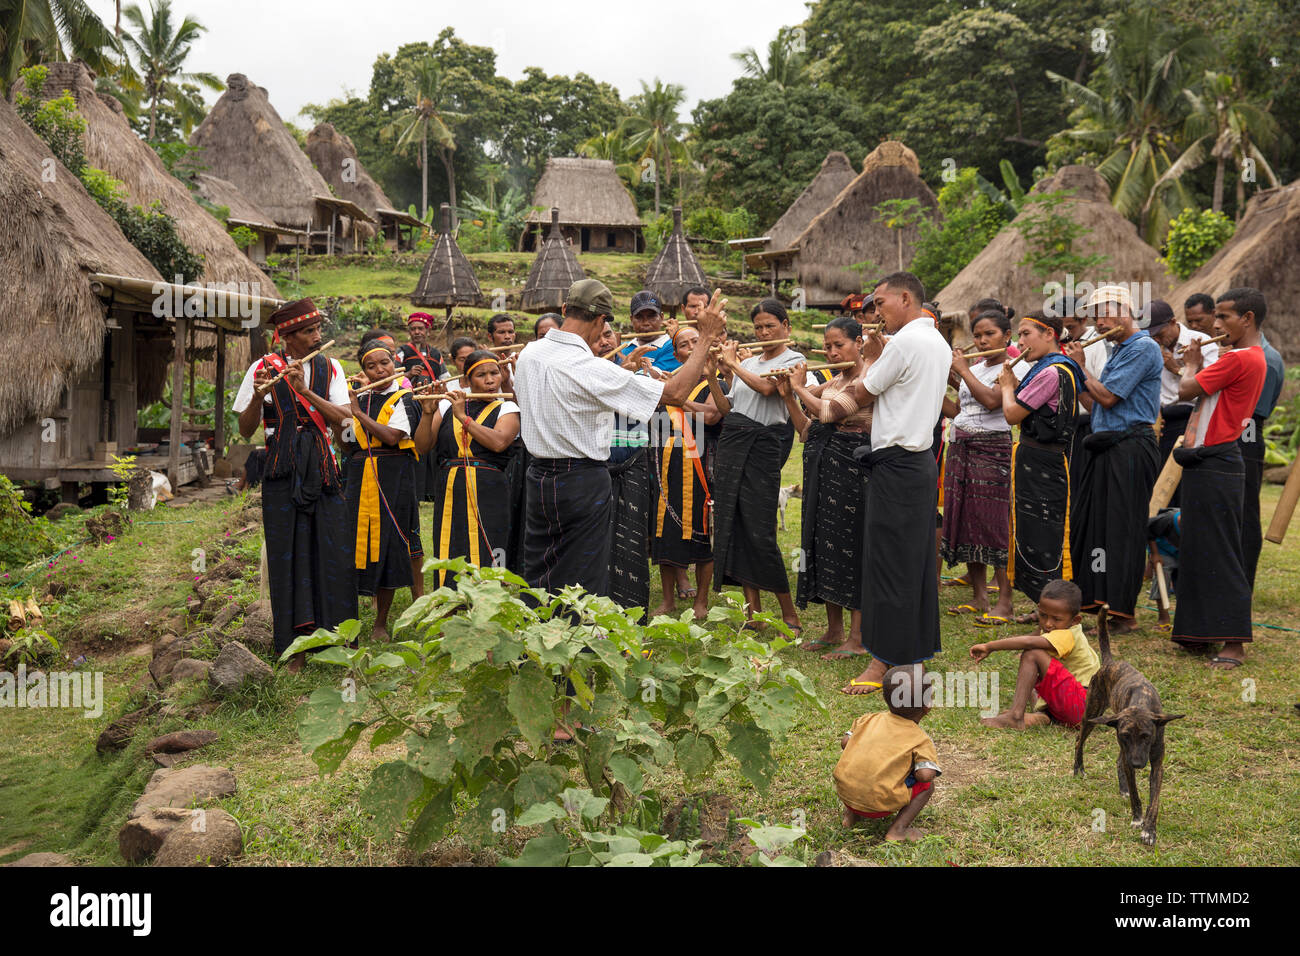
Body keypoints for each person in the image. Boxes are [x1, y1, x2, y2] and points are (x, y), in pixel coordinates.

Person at [511, 279, 725, 601]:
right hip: (581, 479)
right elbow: (677, 393)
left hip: (538, 475)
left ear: (566, 309)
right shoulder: (589, 368)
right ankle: (576, 644)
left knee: (541, 564)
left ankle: (538, 637)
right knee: (583, 573)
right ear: (602, 322)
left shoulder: (530, 353)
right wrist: (707, 336)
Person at [824, 273, 951, 695]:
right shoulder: (938, 342)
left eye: (880, 303)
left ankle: (882, 662)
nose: (876, 312)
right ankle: (913, 656)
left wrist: (867, 364)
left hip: (897, 465)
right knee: (912, 564)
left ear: (904, 297)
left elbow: (863, 391)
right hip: (918, 464)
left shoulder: (906, 343)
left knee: (888, 565)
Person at [233, 298, 355, 672]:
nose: (317, 336)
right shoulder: (261, 368)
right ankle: (293, 649)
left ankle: (336, 642)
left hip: (322, 470)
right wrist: (257, 396)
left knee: (331, 550)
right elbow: (245, 429)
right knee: (288, 555)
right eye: (308, 331)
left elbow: (345, 422)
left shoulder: (330, 366)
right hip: (281, 472)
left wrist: (305, 391)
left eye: (317, 329)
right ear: (286, 336)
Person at [1171, 288, 1268, 671]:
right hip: (1209, 461)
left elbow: (1185, 389)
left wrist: (1192, 363)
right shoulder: (1243, 356)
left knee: (1222, 551)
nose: (1215, 324)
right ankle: (1198, 632)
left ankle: (1234, 642)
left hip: (1217, 461)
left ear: (1247, 319)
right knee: (1198, 547)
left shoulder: (1241, 358)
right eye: (1216, 317)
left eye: (1224, 317)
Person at [1064, 285, 1162, 635]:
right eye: (1095, 316)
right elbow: (1096, 406)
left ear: (1126, 311)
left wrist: (1079, 367)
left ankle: (1125, 613)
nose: (1099, 323)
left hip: (1131, 448)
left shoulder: (1143, 347)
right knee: (1097, 528)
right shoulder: (1118, 349)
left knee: (1123, 528)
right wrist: (1074, 377)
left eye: (1105, 314)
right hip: (1107, 445)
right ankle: (1101, 603)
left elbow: (1107, 398)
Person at [708, 299, 808, 634]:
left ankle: (789, 615)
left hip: (764, 447)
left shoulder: (795, 360)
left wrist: (734, 365)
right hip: (733, 442)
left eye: (770, 326)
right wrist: (712, 376)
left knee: (760, 532)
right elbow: (726, 409)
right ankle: (754, 615)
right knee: (735, 526)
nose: (763, 332)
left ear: (786, 326)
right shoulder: (749, 361)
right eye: (758, 327)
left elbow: (768, 389)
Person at [774, 317, 871, 659]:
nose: (831, 352)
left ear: (859, 342)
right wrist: (789, 397)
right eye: (827, 346)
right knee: (823, 543)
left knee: (852, 547)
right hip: (823, 466)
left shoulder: (866, 377)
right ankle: (834, 630)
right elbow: (806, 430)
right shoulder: (836, 379)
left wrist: (799, 387)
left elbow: (830, 414)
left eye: (838, 345)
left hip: (853, 469)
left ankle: (857, 638)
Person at [999, 311, 1083, 622]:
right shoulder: (1054, 369)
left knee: (1044, 534)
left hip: (1041, 461)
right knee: (1035, 531)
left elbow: (1011, 414)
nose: (1020, 342)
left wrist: (1007, 385)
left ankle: (1055, 611)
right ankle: (1045, 608)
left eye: (1026, 334)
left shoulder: (1051, 372)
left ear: (1049, 334)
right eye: (1019, 336)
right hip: (1041, 460)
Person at [940, 310, 1021, 626]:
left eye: (989, 334)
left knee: (993, 524)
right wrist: (944, 381)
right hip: (961, 448)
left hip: (991, 450)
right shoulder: (975, 368)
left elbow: (991, 401)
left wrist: (961, 371)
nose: (983, 340)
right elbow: (963, 409)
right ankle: (979, 595)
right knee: (966, 519)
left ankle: (1005, 601)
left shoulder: (1012, 367)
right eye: (977, 335)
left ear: (1007, 335)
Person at [418, 350, 520, 589]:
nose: (490, 380)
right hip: (451, 485)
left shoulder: (507, 409)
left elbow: (498, 442)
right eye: (481, 375)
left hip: (488, 488)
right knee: (450, 543)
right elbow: (423, 446)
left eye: (494, 373)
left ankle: (488, 607)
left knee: (490, 543)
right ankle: (449, 610)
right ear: (466, 381)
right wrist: (427, 413)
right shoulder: (445, 406)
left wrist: (463, 417)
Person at [344, 339, 423, 642]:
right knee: (354, 542)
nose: (379, 370)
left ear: (395, 363)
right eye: (371, 366)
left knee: (389, 544)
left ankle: (380, 623)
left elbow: (392, 437)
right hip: (359, 474)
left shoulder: (405, 397)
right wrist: (348, 410)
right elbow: (348, 442)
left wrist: (356, 412)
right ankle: (348, 622)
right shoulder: (358, 399)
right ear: (363, 370)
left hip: (394, 476)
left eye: (385, 363)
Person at [649, 326, 719, 620]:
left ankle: (701, 601)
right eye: (684, 345)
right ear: (676, 355)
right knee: (666, 533)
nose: (691, 347)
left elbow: (712, 415)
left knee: (703, 534)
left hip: (703, 468)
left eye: (695, 341)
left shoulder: (716, 383)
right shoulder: (669, 383)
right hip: (666, 469)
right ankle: (667, 600)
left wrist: (675, 397)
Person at [970, 580, 1100, 729]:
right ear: (1039, 609)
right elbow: (1036, 636)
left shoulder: (1067, 634)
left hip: (1080, 704)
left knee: (1032, 654)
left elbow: (1030, 643)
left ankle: (1015, 716)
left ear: (1075, 620)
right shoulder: (1055, 629)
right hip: (1078, 710)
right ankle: (1043, 717)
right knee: (1031, 669)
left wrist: (989, 646)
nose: (1048, 623)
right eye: (1043, 616)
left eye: (1056, 619)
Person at [834, 664, 941, 840]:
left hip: (846, 793)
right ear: (927, 707)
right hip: (880, 807)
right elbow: (925, 776)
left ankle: (852, 816)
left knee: (859, 763)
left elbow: (845, 742)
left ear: (886, 699)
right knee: (928, 787)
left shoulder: (867, 719)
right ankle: (897, 830)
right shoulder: (920, 739)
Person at [1147, 299, 1219, 492]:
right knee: (1161, 486)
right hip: (1162, 424)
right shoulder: (1150, 346)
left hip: (1191, 420)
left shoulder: (1202, 342)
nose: (1157, 340)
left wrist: (1177, 369)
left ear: (1172, 322)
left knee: (1187, 485)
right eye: (1152, 336)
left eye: (1159, 334)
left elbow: (1210, 388)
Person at [1242, 327, 1285, 588]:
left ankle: (1243, 581)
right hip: (1243, 432)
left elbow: (1251, 415)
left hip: (1246, 433)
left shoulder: (1265, 359)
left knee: (1245, 510)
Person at [619, 291, 679, 372]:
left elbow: (653, 380)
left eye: (651, 317)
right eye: (639, 317)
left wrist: (620, 357)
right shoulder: (622, 348)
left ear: (661, 317)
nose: (645, 323)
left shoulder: (674, 347)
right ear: (631, 319)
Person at [395, 312, 446, 382]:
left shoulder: (436, 354)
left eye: (420, 328)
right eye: (413, 329)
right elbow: (392, 378)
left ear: (428, 331)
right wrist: (408, 374)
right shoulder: (402, 352)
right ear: (409, 332)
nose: (416, 332)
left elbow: (445, 378)